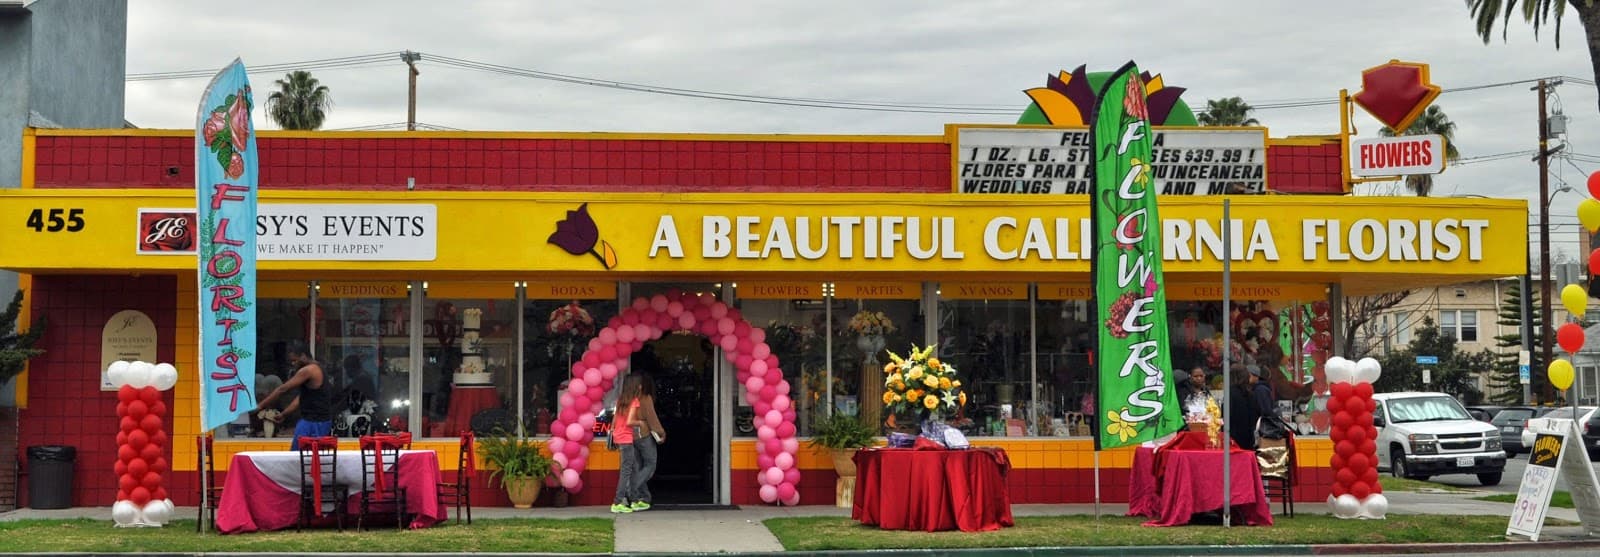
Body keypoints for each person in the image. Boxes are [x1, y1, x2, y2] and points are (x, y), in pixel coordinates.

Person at [254, 340, 334, 450]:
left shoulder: (309, 370)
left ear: (303, 356)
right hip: (314, 420)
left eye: (294, 360)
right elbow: (300, 398)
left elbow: (283, 389)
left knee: (300, 455)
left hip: (315, 422)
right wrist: (284, 414)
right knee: (301, 454)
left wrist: (260, 406)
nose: (293, 364)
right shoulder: (317, 367)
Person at [628, 374, 667, 511]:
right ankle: (632, 489)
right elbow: (652, 418)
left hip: (628, 436)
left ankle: (644, 497)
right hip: (643, 435)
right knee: (650, 465)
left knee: (638, 467)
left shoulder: (626, 398)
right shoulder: (645, 398)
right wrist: (661, 432)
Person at [610, 375, 645, 514]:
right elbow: (630, 421)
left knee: (634, 468)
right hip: (626, 439)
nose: (641, 387)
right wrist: (641, 423)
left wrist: (614, 433)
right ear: (635, 387)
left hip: (619, 437)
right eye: (639, 384)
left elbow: (614, 420)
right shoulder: (634, 401)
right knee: (626, 471)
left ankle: (635, 500)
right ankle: (617, 502)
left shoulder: (621, 400)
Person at [1226, 366, 1274, 451]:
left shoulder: (1231, 393)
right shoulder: (1249, 393)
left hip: (1233, 438)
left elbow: (1227, 416)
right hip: (1248, 437)